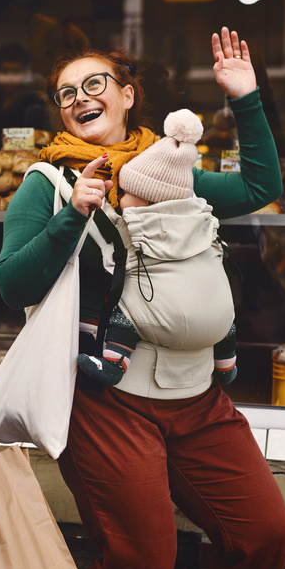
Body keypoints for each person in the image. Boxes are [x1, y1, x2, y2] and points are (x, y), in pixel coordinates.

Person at [0, 28, 285, 569]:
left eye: (94, 84)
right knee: (142, 561)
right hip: (108, 399)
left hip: (197, 394)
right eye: (65, 92)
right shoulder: (46, 182)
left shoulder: (172, 171)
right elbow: (11, 282)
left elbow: (261, 187)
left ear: (129, 94)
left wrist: (245, 98)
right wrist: (72, 211)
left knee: (265, 534)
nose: (79, 97)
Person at [74, 108, 237, 387]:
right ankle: (226, 365)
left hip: (163, 320)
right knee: (223, 313)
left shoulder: (139, 222)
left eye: (125, 192)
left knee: (124, 313)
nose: (120, 196)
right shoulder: (201, 216)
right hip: (219, 323)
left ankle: (113, 364)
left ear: (147, 200)